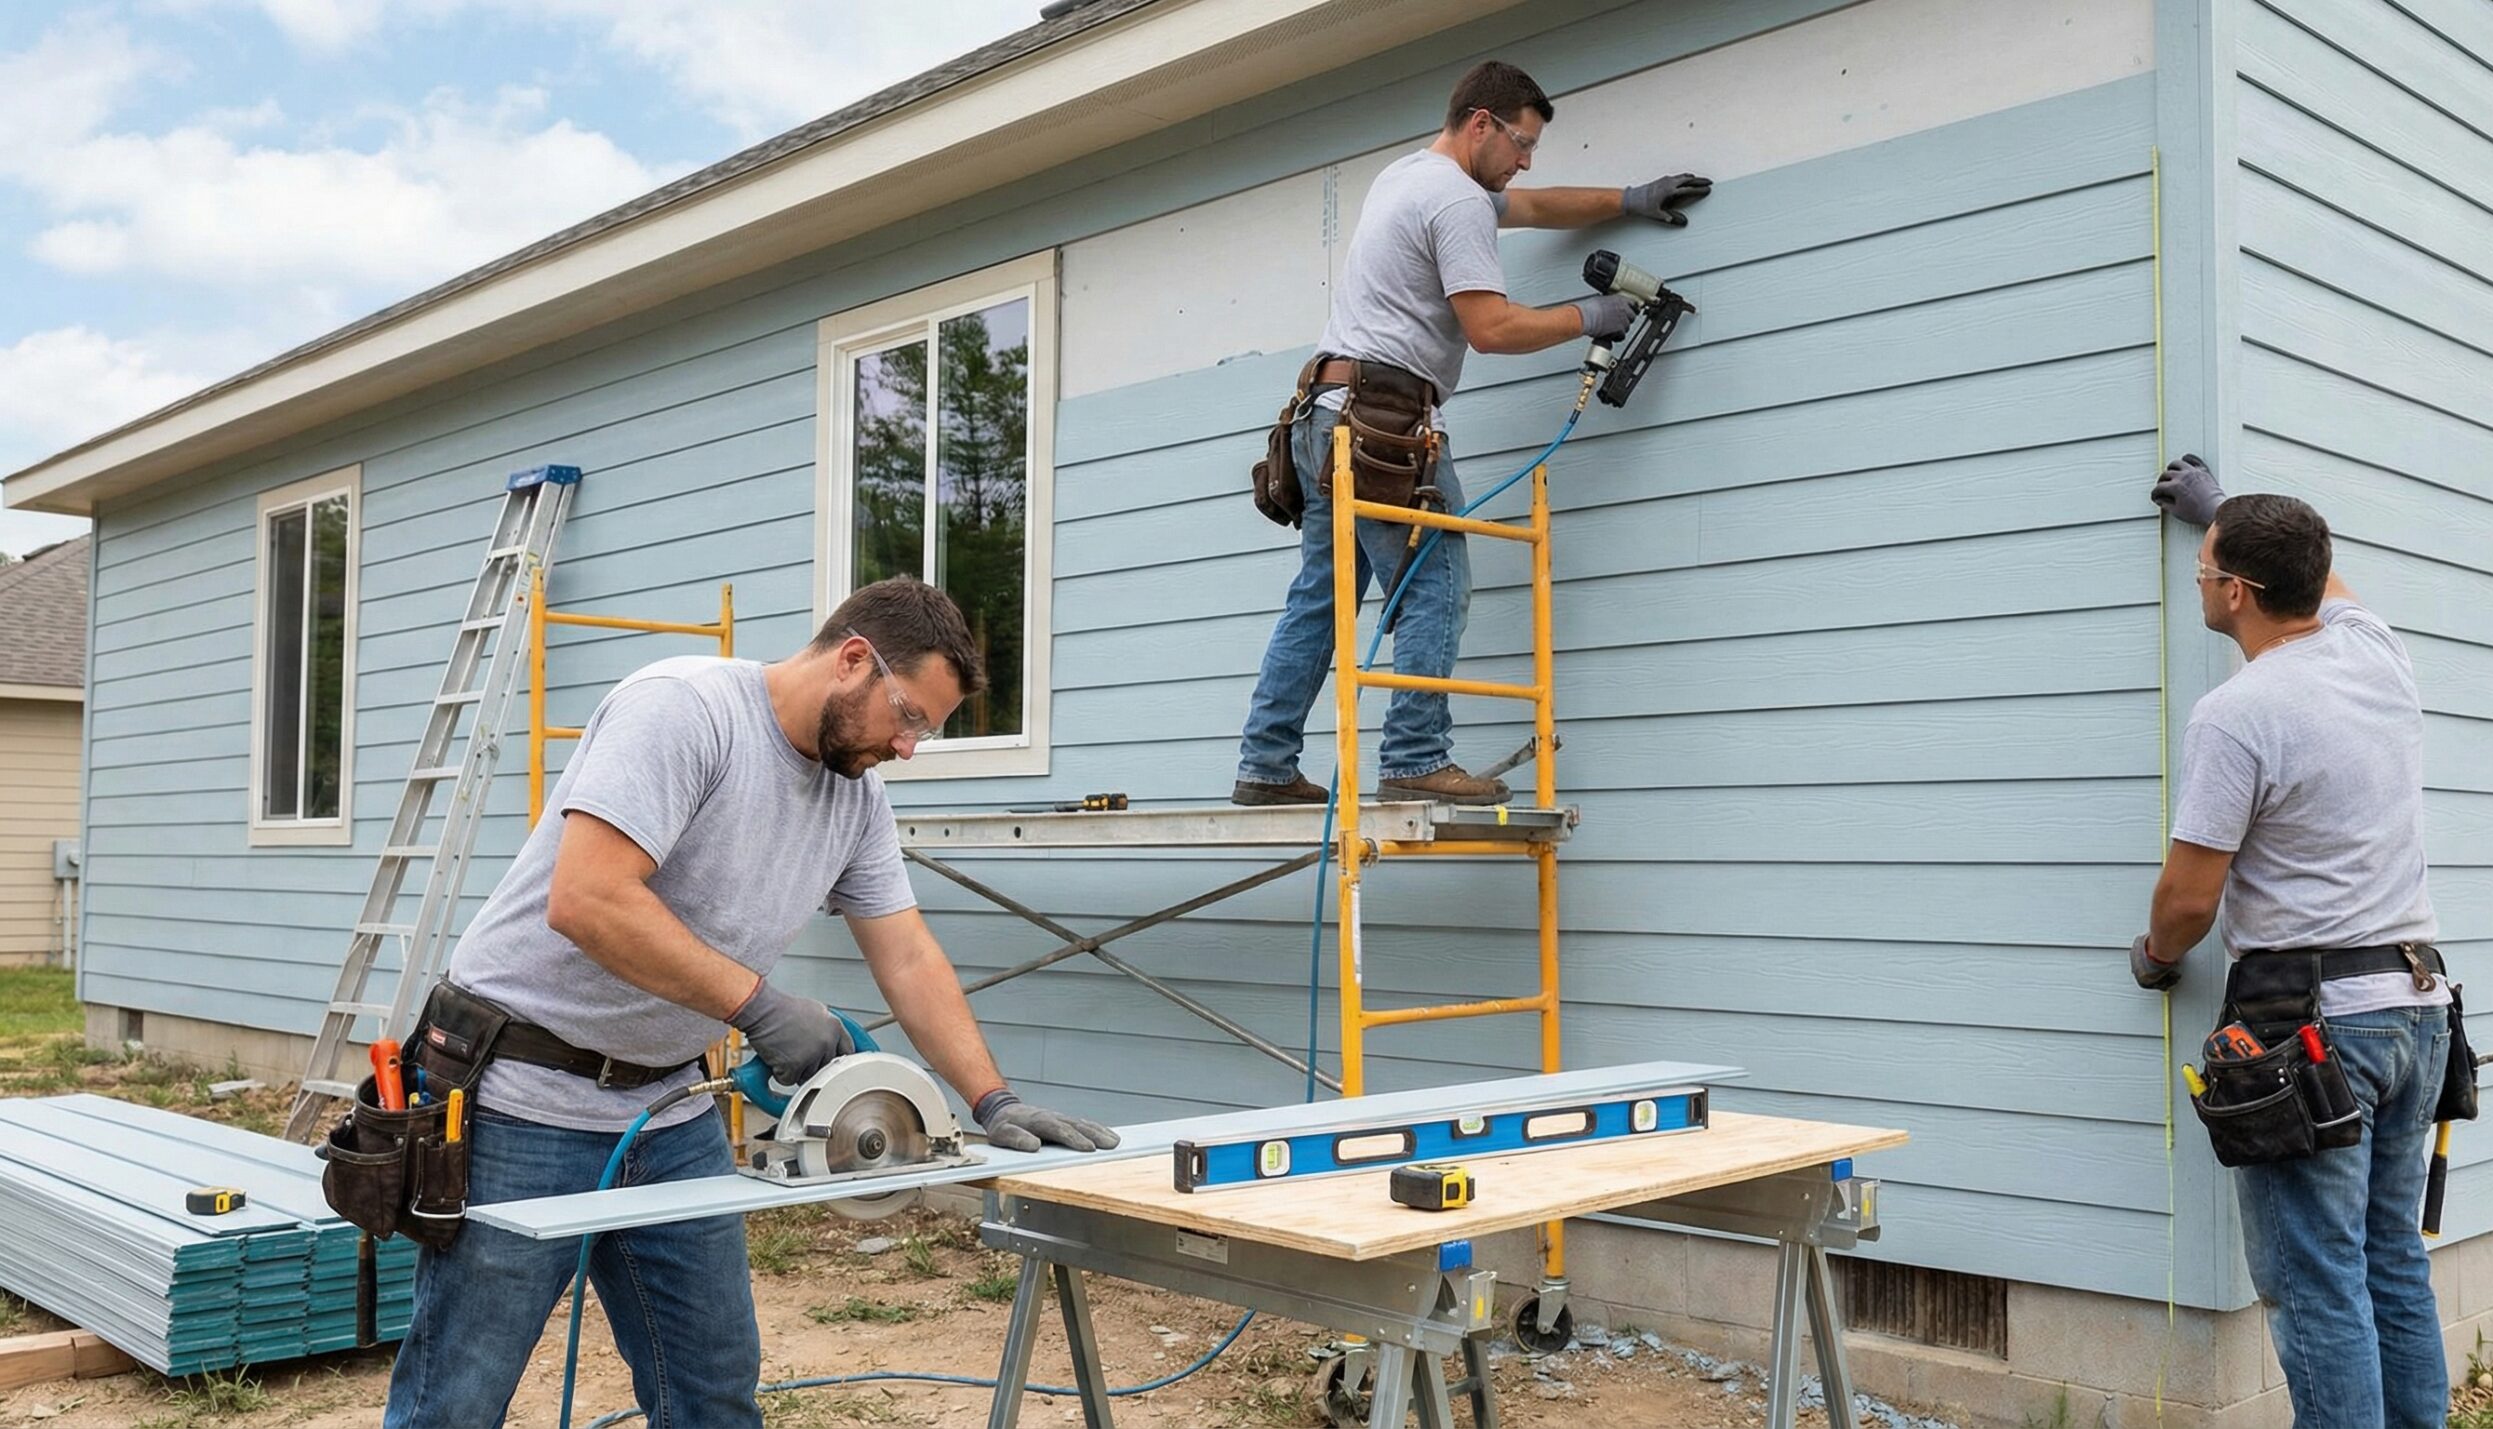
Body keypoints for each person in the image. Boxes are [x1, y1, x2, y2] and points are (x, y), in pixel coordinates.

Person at [384, 575, 1118, 1428]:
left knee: (714, 1391)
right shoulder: (684, 710)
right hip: (520, 1094)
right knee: (458, 1398)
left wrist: (994, 1097)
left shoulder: (855, 796)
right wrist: (760, 1006)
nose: (911, 746)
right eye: (910, 716)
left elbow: (909, 953)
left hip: (665, 1104)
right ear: (853, 660)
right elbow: (588, 898)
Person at [1232, 59, 1713, 807]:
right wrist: (1586, 318)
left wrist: (1627, 199)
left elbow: (1531, 207)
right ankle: (1416, 756)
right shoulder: (1456, 201)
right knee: (1437, 581)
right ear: (1480, 123)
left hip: (1324, 414)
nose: (1524, 160)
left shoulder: (1409, 176)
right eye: (1520, 142)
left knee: (1321, 602)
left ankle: (1264, 766)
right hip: (1384, 425)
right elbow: (1489, 328)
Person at [2132, 456, 2452, 1428]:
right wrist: (2220, 508)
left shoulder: (2238, 713)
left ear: (2235, 590)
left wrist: (2153, 957)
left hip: (2314, 1031)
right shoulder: (2374, 649)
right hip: (2417, 1006)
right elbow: (2329, 581)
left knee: (2314, 1281)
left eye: (2206, 563)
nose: (2197, 576)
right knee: (2390, 1256)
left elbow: (2190, 896)